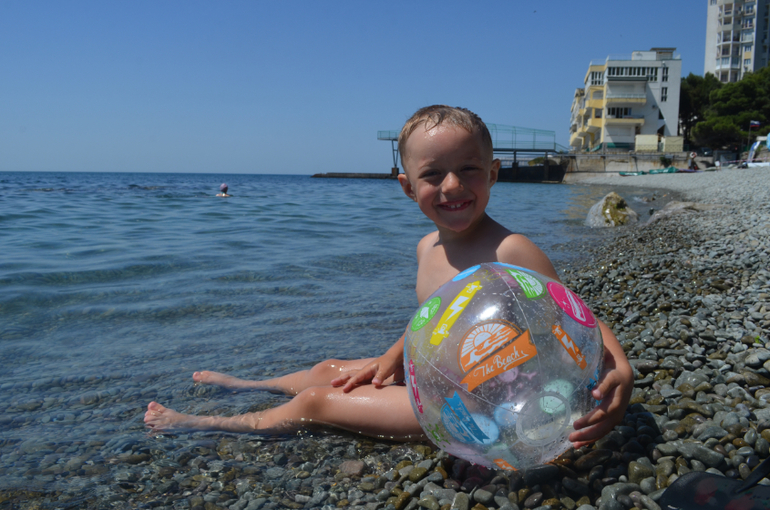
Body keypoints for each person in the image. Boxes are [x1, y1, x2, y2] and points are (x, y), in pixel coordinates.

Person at [145, 105, 633, 447]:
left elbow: (575, 315)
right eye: (432, 174)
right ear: (407, 187)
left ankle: (217, 423)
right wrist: (393, 357)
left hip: (475, 407)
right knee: (329, 370)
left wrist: (620, 367)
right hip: (434, 371)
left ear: (493, 173)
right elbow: (435, 318)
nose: (452, 186)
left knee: (317, 402)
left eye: (469, 169)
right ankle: (253, 384)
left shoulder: (510, 249)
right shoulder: (427, 247)